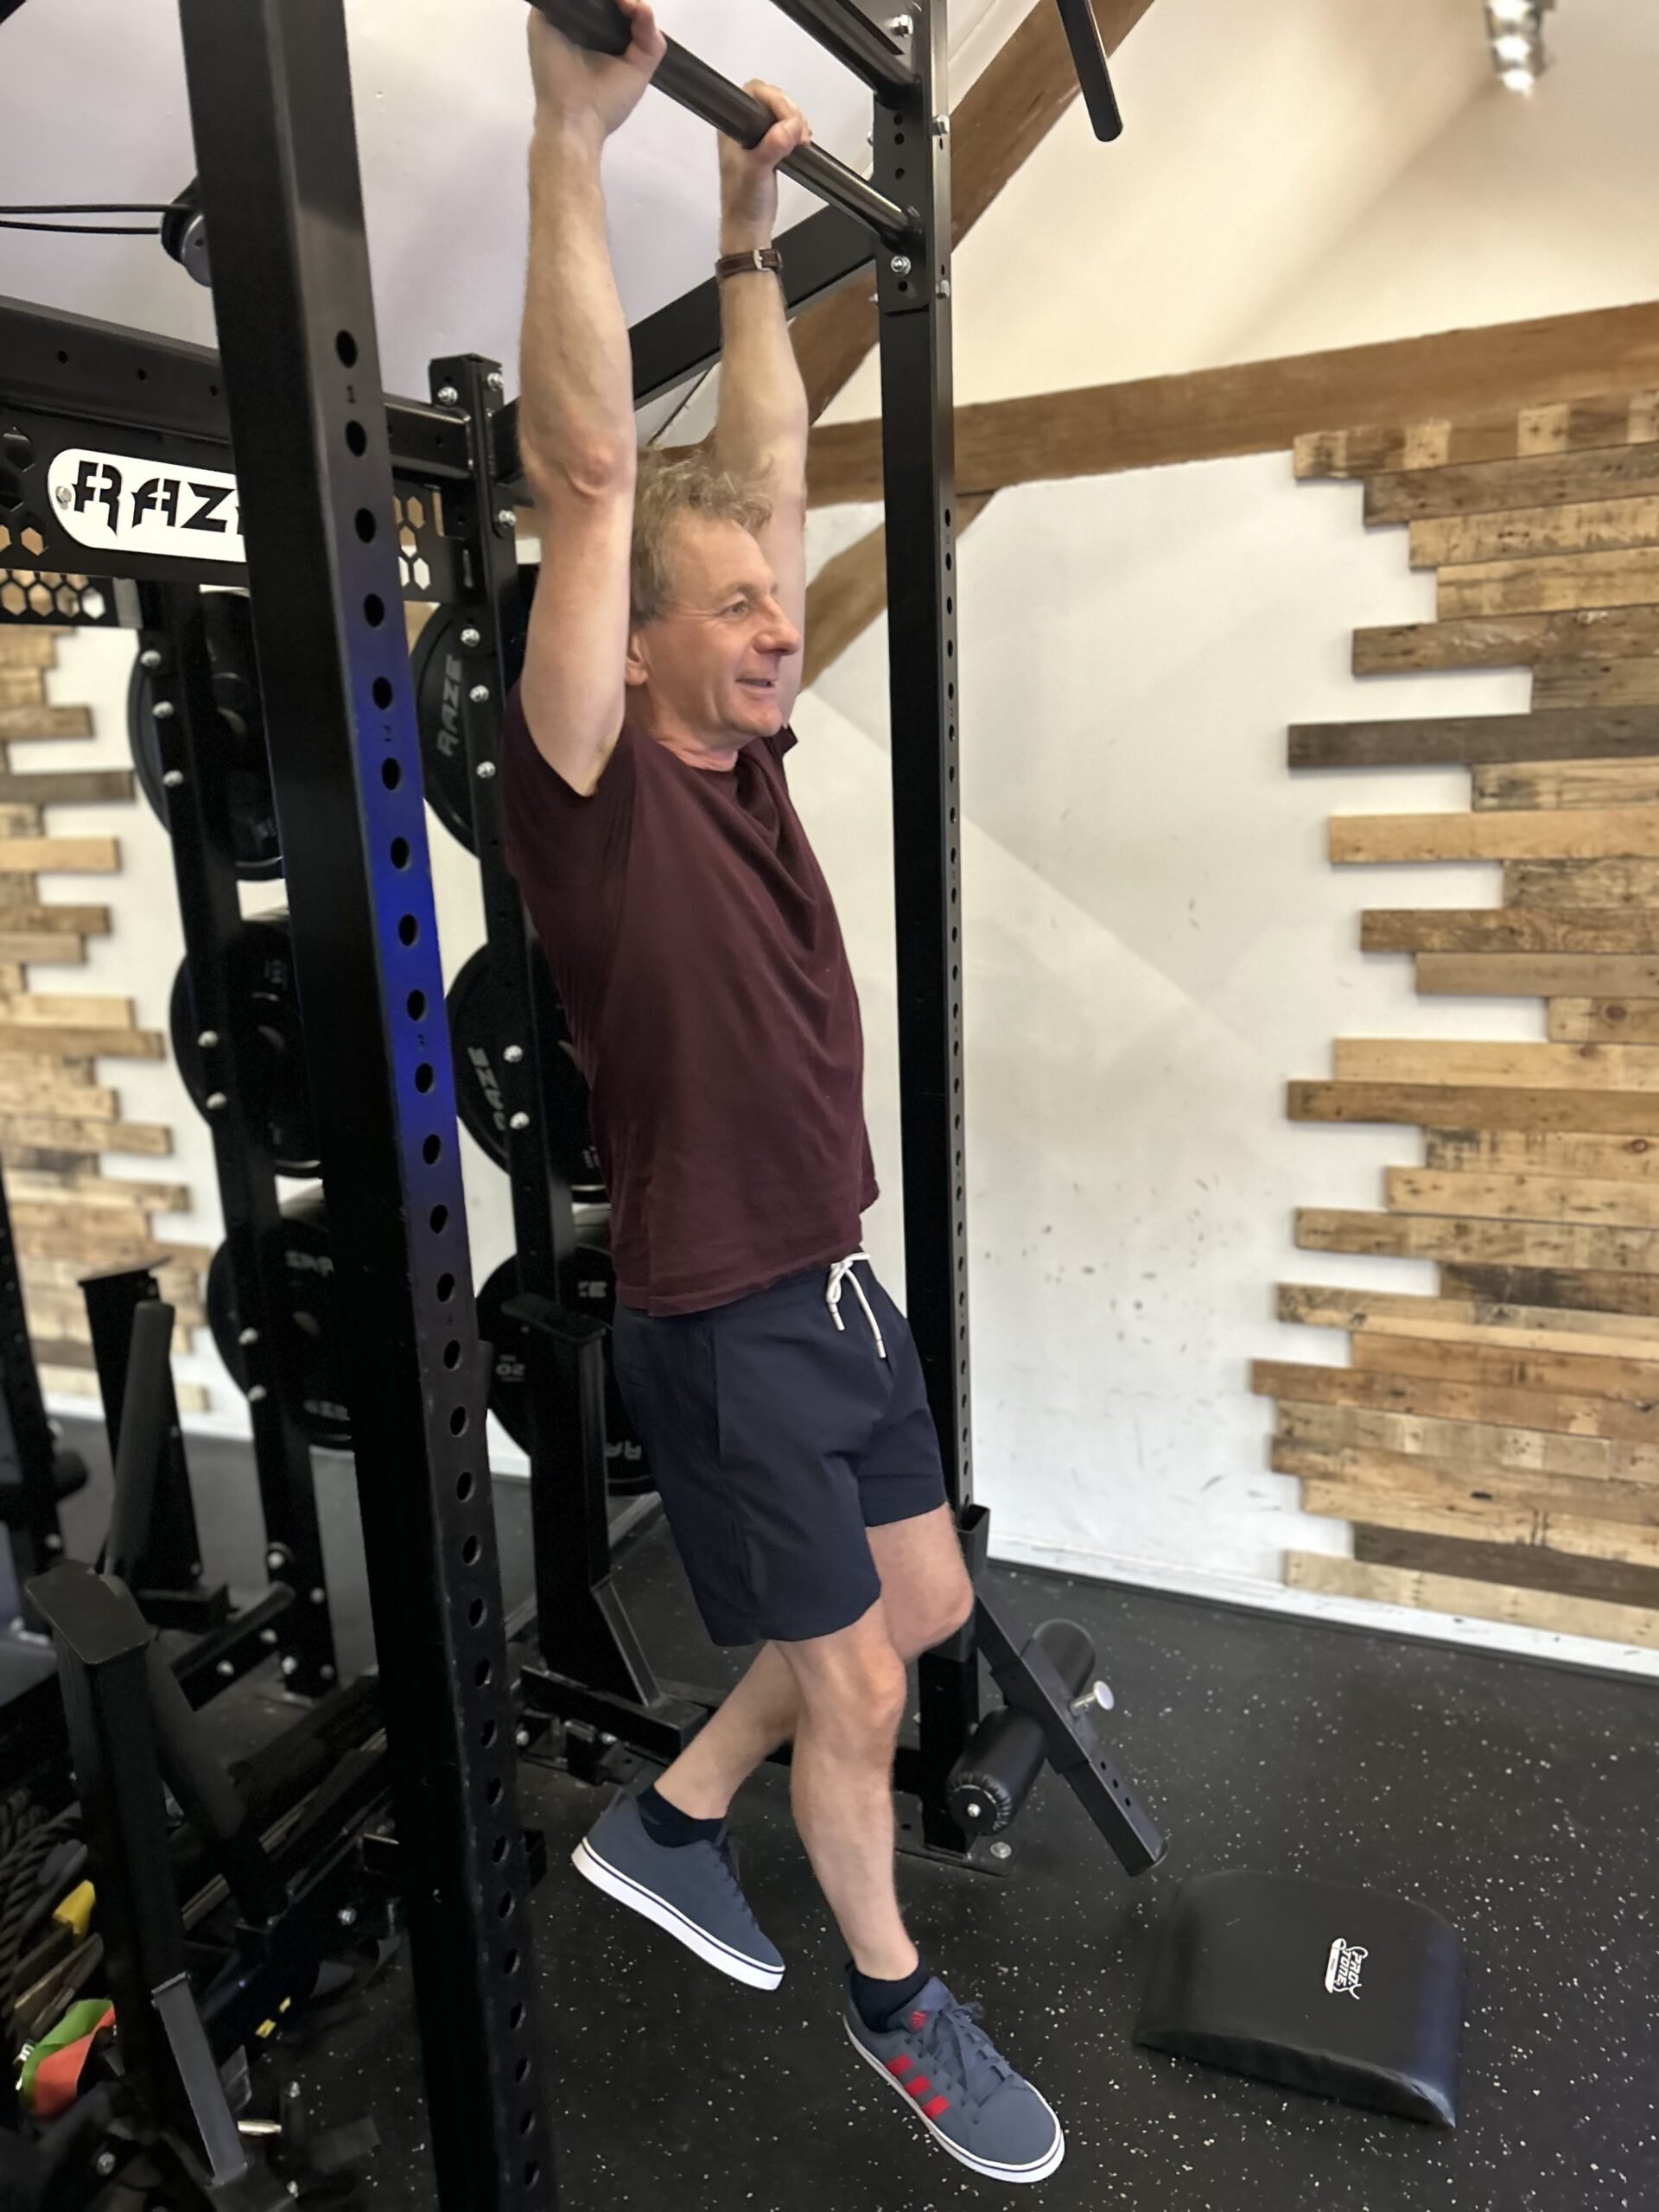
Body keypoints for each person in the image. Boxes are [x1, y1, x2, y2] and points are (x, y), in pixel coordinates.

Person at [501, 1, 1063, 2185]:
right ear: (631, 646)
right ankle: (902, 2004)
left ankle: (669, 1815)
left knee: (918, 1615)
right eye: (726, 607)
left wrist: (745, 228)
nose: (768, 618)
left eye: (768, 604)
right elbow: (596, 476)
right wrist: (576, 142)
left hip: (830, 1299)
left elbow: (768, 470)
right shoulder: (597, 789)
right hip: (722, 1320)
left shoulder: (749, 751)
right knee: (863, 1690)